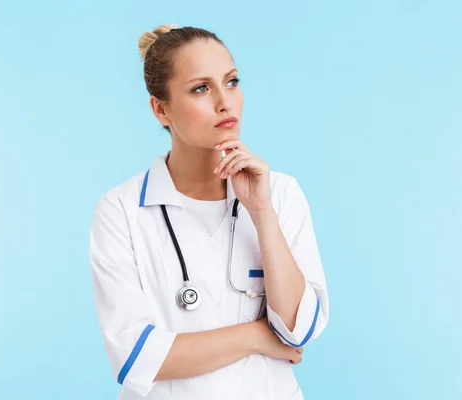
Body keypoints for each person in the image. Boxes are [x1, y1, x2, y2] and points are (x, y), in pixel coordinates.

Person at [89, 24, 329, 400]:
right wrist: (257, 335)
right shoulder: (121, 211)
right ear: (160, 108)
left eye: (231, 81)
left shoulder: (280, 194)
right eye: (201, 88)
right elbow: (136, 358)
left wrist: (261, 211)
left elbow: (299, 330)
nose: (225, 102)